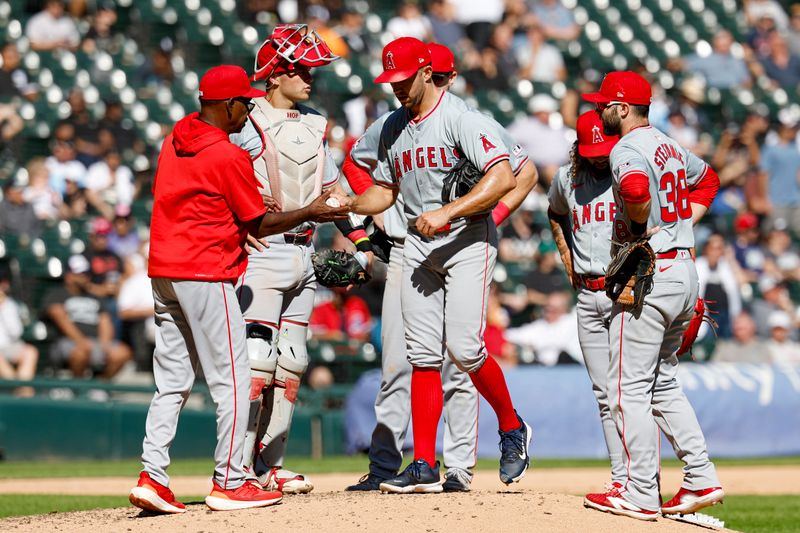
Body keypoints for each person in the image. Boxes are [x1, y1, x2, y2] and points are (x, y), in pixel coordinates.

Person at [128, 64, 348, 515]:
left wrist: (234, 224)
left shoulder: (176, 137)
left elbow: (203, 203)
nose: (248, 112)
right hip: (205, 272)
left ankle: (153, 475)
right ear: (226, 104)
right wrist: (310, 210)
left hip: (164, 271)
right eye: (243, 104)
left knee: (171, 382)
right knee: (235, 378)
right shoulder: (227, 155)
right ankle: (230, 480)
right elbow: (261, 222)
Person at [341, 41, 537, 492]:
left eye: (403, 79)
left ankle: (511, 426)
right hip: (417, 244)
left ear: (427, 72)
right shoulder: (393, 125)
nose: (396, 88)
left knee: (466, 349)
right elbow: (384, 192)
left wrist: (450, 212)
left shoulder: (461, 119)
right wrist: (349, 204)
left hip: (467, 239)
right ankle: (425, 464)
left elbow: (506, 175)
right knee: (423, 357)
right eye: (390, 81)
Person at [581, 71, 723, 520]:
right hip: (683, 270)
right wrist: (678, 230)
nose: (601, 110)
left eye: (606, 104)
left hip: (651, 274)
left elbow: (637, 191)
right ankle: (700, 477)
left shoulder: (627, 147)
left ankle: (640, 492)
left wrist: (644, 231)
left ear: (622, 108)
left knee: (627, 388)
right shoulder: (669, 143)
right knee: (661, 379)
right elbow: (710, 180)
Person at [228, 23, 355, 495]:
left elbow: (332, 193)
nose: (310, 78)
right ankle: (235, 468)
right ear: (275, 74)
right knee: (256, 362)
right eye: (301, 70)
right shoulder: (245, 120)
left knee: (293, 362)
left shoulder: (315, 126)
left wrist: (363, 241)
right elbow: (221, 180)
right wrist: (231, 231)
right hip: (262, 253)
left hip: (305, 251)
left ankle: (270, 463)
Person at [43, 254, 131, 379]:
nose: (85, 277)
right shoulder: (57, 294)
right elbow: (59, 317)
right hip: (68, 342)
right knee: (81, 353)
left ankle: (99, 386)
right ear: (69, 276)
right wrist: (80, 341)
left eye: (87, 273)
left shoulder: (94, 297)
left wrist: (104, 345)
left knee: (122, 353)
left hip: (95, 342)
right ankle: (78, 387)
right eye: (80, 274)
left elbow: (104, 320)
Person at [0, 263, 38, 397]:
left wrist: (3, 308)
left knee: (30, 352)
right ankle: (18, 390)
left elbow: (16, 332)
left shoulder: (10, 305)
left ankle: (23, 392)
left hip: (9, 346)